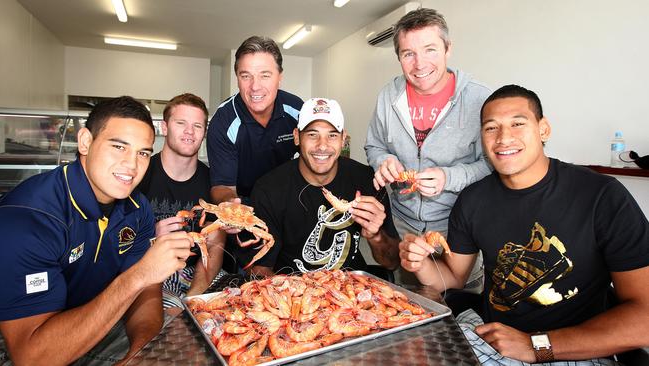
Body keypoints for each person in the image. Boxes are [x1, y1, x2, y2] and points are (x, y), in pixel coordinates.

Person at [399, 85, 649, 364]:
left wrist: (534, 346)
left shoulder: (601, 195)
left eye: (518, 124)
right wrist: (420, 262)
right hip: (491, 337)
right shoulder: (473, 200)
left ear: (544, 130)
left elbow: (644, 317)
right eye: (491, 128)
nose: (504, 138)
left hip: (573, 347)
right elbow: (453, 278)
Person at [0, 96, 194, 365]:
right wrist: (139, 275)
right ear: (85, 142)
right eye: (118, 147)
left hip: (101, 321)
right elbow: (32, 357)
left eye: (143, 153)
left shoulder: (138, 209)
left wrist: (138, 354)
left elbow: (147, 294)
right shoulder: (29, 219)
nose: (132, 165)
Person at [365, 8, 491, 287]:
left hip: (458, 227)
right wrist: (383, 160)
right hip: (403, 226)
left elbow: (493, 164)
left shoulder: (480, 98)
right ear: (398, 57)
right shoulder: (388, 95)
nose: (419, 64)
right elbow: (373, 144)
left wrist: (449, 177)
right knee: (408, 304)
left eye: (430, 49)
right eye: (408, 53)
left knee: (462, 303)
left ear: (448, 49)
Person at [246, 98, 400, 277]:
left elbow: (392, 262)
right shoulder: (269, 190)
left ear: (343, 139)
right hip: (292, 292)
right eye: (312, 134)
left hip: (353, 289)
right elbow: (259, 269)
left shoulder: (367, 180)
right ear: (297, 136)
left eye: (332, 135)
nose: (322, 145)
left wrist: (376, 236)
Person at [138, 93, 226, 312]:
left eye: (197, 125)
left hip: (199, 276)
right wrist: (151, 237)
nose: (189, 131)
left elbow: (215, 248)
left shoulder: (214, 183)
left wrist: (190, 301)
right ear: (165, 127)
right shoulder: (139, 173)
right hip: (147, 273)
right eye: (181, 123)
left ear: (204, 132)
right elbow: (116, 244)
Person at [207, 35, 303, 205]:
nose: (255, 86)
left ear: (280, 77)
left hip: (287, 200)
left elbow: (314, 156)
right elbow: (222, 186)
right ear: (237, 78)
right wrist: (230, 206)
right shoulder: (223, 121)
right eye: (246, 76)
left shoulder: (297, 110)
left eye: (265, 75)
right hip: (245, 206)